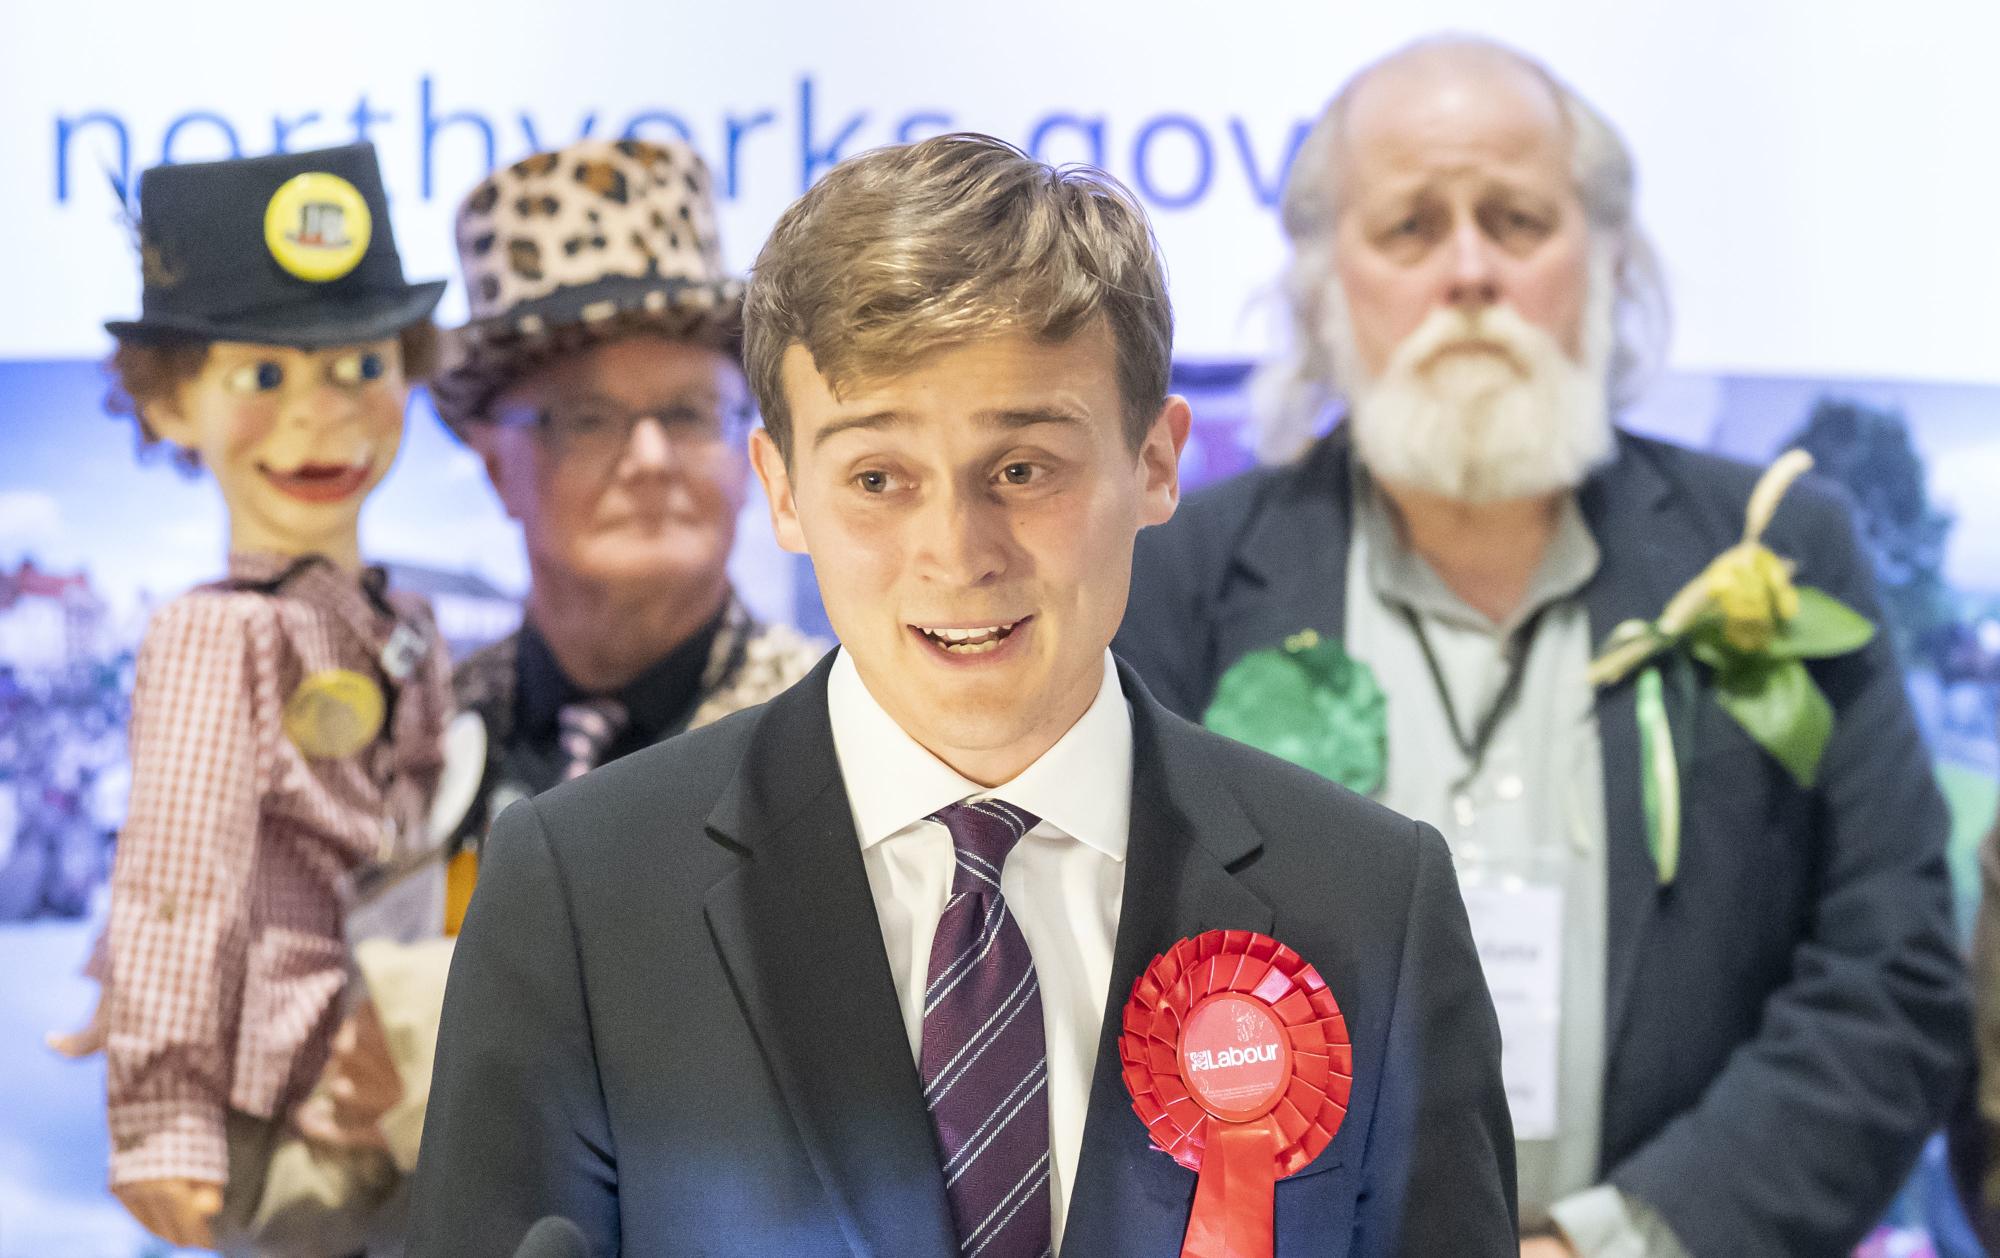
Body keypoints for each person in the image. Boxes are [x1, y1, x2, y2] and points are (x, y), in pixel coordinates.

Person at [406, 133, 1515, 1257]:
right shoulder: (584, 893)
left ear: (1156, 462)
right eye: (877, 479)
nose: (956, 551)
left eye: (1023, 469)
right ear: (781, 492)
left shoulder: (1371, 903)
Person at [1114, 36, 1970, 1258]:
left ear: (1610, 260)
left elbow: (1891, 976)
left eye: (1516, 219)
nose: (1468, 271)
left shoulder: (1780, 550)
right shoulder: (1178, 580)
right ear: (1318, 285)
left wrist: (1610, 1246)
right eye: (1409, 227)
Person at [94, 142, 453, 1253]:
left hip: (389, 1054)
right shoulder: (217, 632)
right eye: (262, 377)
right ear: (167, 407)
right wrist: (160, 1108)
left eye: (360, 367)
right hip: (290, 1075)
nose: (321, 414)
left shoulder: (402, 618)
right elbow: (177, 874)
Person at [430, 137, 824, 884]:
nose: (649, 459)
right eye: (587, 418)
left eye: (689, 413)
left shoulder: (826, 737)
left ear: (757, 457)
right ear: (492, 467)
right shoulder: (416, 743)